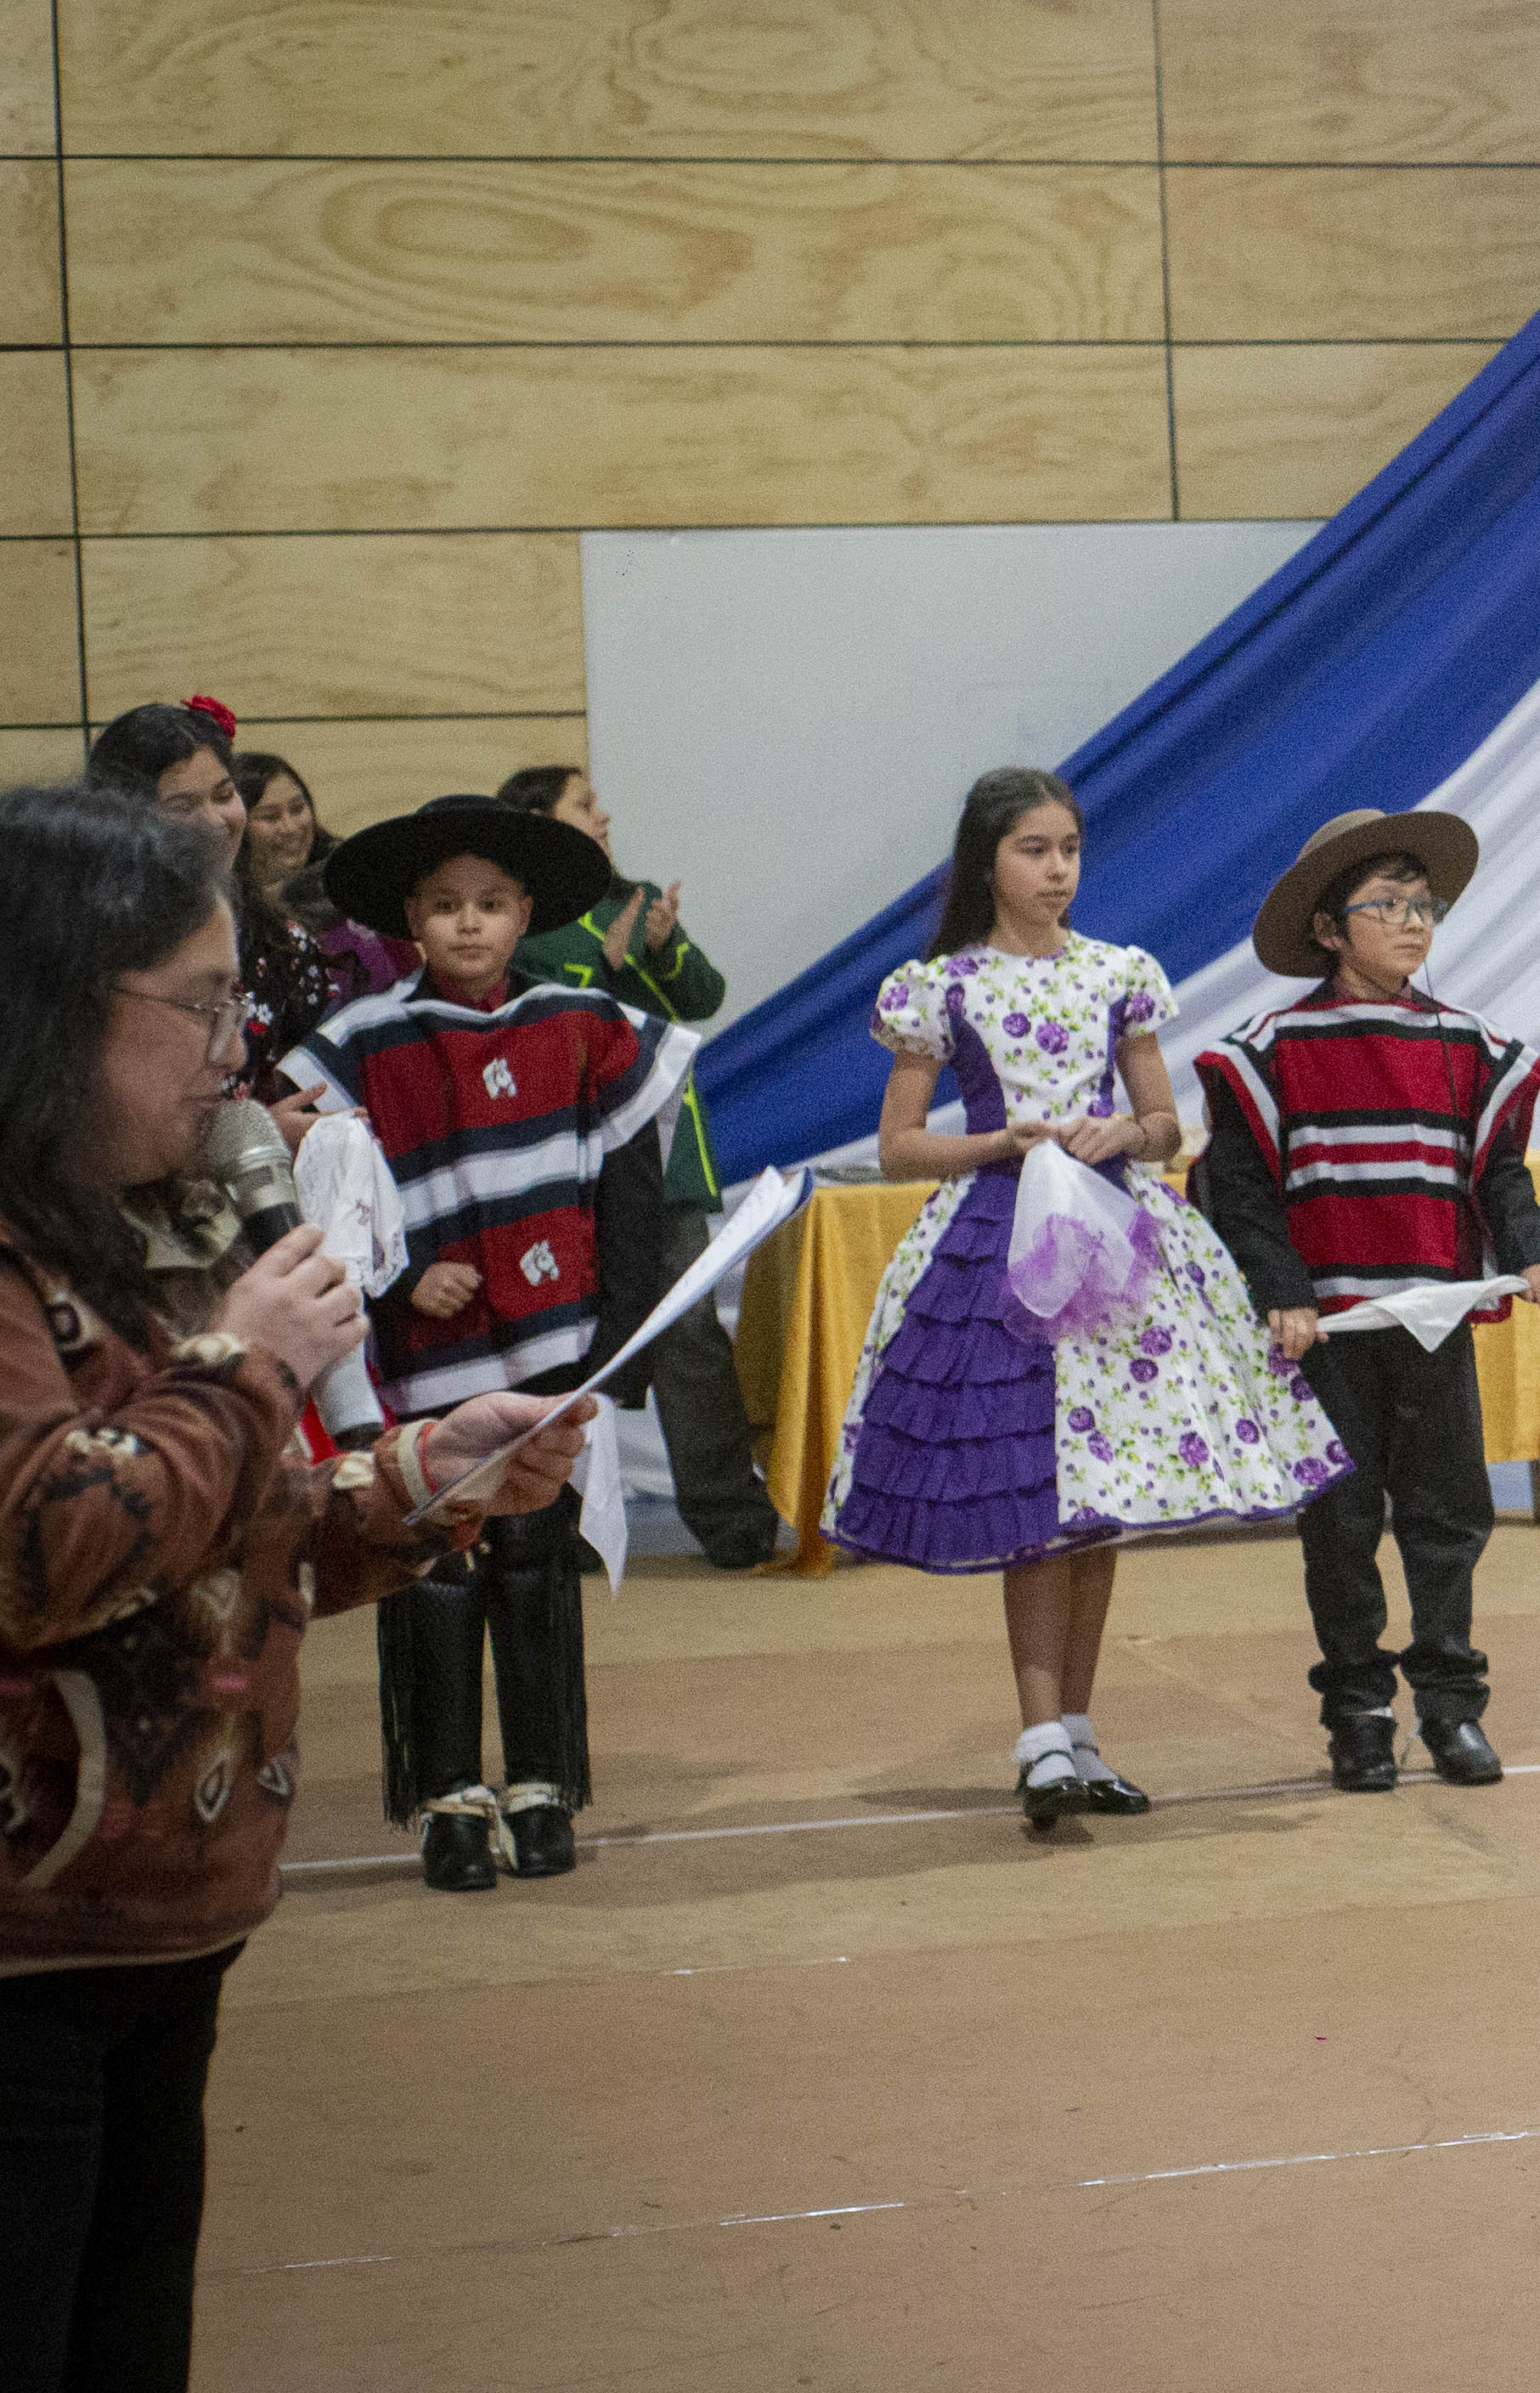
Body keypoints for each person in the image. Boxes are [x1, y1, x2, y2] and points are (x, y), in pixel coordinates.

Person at [0, 781, 597, 2393]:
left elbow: (208, 1539)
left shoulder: (140, 1236)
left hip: (160, 1941)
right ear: (54, 1007)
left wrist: (422, 1479)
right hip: (20, 1971)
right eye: (194, 1003)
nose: (232, 1048)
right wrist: (252, 1363)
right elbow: (46, 1548)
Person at [823, 770, 1344, 1826]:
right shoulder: (942, 986)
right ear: (987, 862)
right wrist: (998, 1143)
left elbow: (1165, 1126)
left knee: (1095, 1504)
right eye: (1034, 850)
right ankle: (1039, 1737)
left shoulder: (1119, 973)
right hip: (997, 1246)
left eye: (1069, 849)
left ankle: (1077, 1734)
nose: (1058, 870)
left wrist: (1122, 1133)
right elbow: (898, 1146)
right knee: (1034, 1494)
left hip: (1115, 1243)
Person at [283, 792, 693, 1890]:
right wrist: (403, 1277)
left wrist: (624, 1339)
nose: (469, 923)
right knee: (433, 1566)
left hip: (554, 1345)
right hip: (426, 1363)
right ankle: (446, 1796)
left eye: (492, 903)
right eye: (444, 904)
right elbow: (323, 1196)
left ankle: (543, 1785)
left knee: (534, 1563)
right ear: (409, 921)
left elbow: (631, 1187)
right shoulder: (361, 1043)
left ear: (526, 914)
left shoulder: (585, 1023)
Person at [1193, 810, 1540, 1796]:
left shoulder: (1469, 1045)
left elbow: (1499, 1173)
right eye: (1386, 906)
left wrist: (1531, 1252)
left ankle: (1452, 1706)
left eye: (1422, 905)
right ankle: (1357, 1711)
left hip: (1432, 1322)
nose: (1413, 922)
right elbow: (1238, 1190)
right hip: (1329, 1333)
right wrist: (1282, 1293)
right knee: (1341, 1520)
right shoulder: (1270, 1050)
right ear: (1329, 930)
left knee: (1450, 1516)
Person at [496, 762, 787, 1572]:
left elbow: (703, 997)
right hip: (568, 1166)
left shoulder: (637, 900)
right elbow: (535, 1029)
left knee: (691, 1335)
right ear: (541, 823)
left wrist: (657, 951)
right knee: (564, 1339)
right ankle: (565, 1521)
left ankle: (732, 1521)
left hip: (664, 1161)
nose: (604, 816)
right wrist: (610, 970)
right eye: (585, 804)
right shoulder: (520, 925)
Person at [82, 703, 357, 1145]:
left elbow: (305, 1084)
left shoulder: (282, 942)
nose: (214, 822)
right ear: (124, 819)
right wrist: (244, 1139)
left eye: (224, 795)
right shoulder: (87, 945)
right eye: (182, 806)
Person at [229, 744, 411, 1003]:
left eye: (297, 809)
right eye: (270, 817)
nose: (290, 827)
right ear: (237, 826)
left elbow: (409, 982)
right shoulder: (222, 915)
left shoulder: (354, 890)